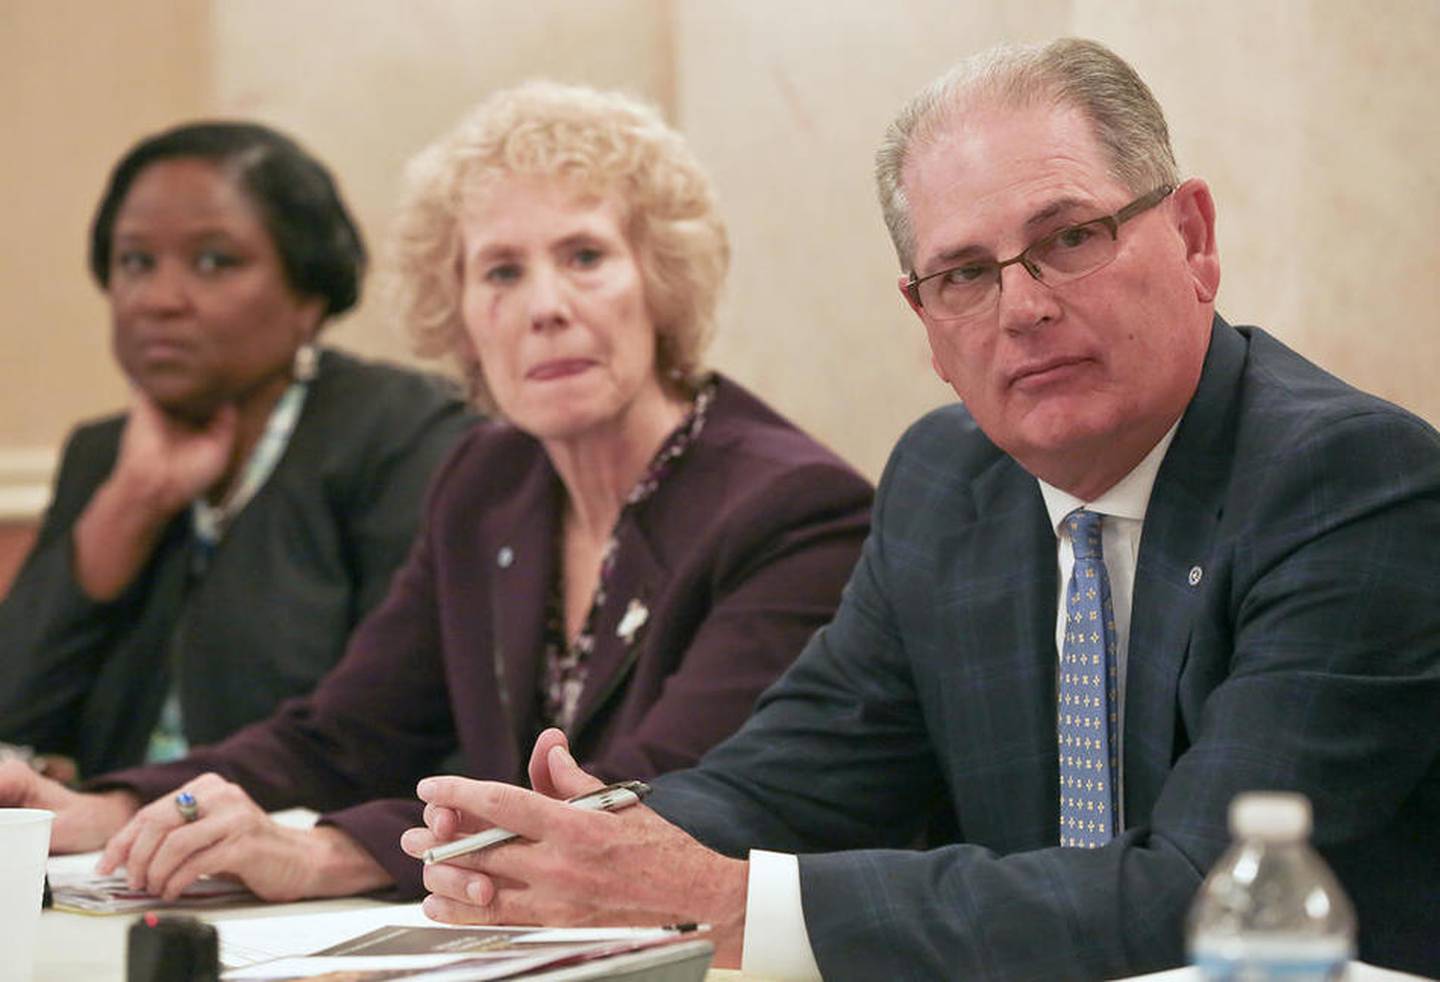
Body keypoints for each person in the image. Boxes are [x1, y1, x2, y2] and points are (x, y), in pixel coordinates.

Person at [395, 39, 1440, 980]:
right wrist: (582, 843)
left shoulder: (1347, 480)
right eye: (964, 274)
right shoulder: (949, 480)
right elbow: (794, 778)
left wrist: (725, 904)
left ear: (1194, 236)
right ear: (926, 324)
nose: (1024, 307)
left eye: (1071, 237)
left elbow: (1205, 898)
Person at [0, 83, 872, 903]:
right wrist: (111, 812)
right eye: (500, 272)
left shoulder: (791, 510)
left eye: (585, 257)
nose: (545, 306)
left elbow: (643, 805)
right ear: (456, 314)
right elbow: (342, 735)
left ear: (661, 280)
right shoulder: (487, 479)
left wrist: (321, 852)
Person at [0, 121, 473, 780]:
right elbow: (13, 720)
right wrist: (129, 509)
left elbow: (389, 733)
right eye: (135, 261)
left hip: (310, 864)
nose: (159, 300)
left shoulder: (402, 434)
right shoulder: (102, 453)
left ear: (309, 294)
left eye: (214, 262)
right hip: (106, 860)